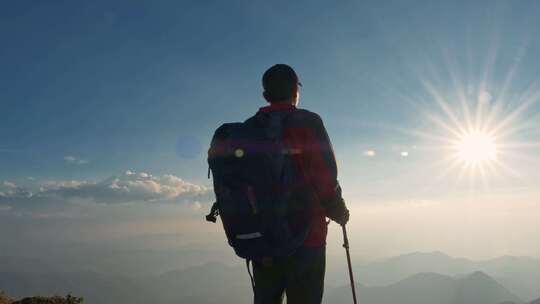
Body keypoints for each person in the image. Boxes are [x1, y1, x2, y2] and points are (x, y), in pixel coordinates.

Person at [247, 64, 349, 304]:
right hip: (307, 237)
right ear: (296, 91)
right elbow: (324, 176)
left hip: (262, 240)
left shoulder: (250, 129)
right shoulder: (308, 122)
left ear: (265, 96)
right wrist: (338, 210)